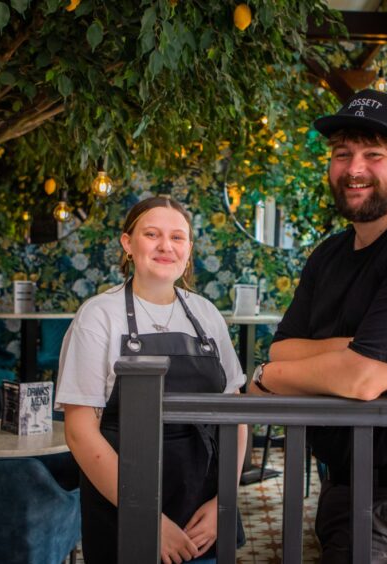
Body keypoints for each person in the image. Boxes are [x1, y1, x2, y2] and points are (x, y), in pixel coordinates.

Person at [248, 89, 387, 563]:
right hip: (344, 483)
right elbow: (282, 349)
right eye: (342, 155)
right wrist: (355, 349)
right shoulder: (330, 254)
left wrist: (272, 380)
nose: (354, 169)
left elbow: (360, 378)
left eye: (374, 155)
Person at [55, 196, 248, 564]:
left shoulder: (206, 315)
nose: (166, 246)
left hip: (201, 512)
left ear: (189, 249)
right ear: (128, 244)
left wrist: (224, 500)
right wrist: (146, 516)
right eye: (152, 234)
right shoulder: (99, 316)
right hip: (123, 503)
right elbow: (80, 432)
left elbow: (234, 414)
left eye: (178, 237)